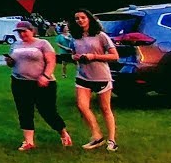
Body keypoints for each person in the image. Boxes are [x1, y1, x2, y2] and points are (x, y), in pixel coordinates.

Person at [6, 21, 72, 151]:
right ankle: (28, 141)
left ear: (32, 31)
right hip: (20, 81)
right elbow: (12, 64)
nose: (22, 34)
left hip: (42, 82)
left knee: (47, 111)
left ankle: (63, 133)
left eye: (24, 31)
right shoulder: (15, 45)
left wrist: (45, 76)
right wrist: (10, 61)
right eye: (19, 32)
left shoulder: (42, 44)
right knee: (24, 110)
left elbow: (51, 61)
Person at [69, 9, 120, 151]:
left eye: (83, 17)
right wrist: (75, 57)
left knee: (105, 109)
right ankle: (97, 135)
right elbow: (73, 54)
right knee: (82, 106)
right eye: (77, 18)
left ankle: (112, 140)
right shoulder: (75, 37)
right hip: (83, 76)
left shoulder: (101, 36)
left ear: (89, 19)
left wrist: (94, 56)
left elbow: (115, 56)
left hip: (101, 77)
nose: (80, 20)